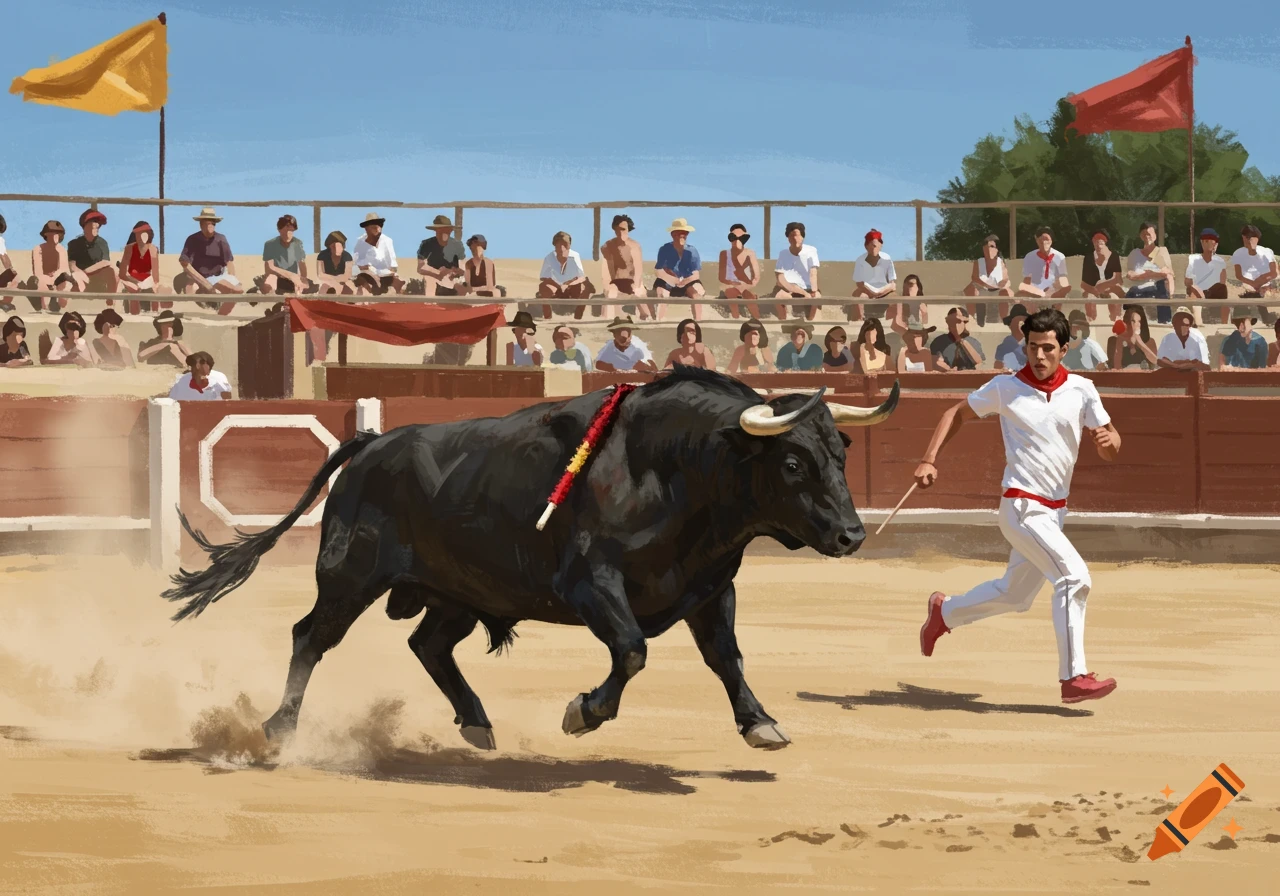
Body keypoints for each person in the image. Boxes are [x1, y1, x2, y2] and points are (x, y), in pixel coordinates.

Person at [915, 308, 1123, 705]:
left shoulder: (1082, 389)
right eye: (1032, 347)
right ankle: (1073, 677)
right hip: (1022, 505)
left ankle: (945, 613)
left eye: (1048, 348)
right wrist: (929, 458)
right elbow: (954, 413)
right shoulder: (1005, 387)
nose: (1039, 356)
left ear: (1064, 349)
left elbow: (1111, 441)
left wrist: (1110, 444)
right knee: (1074, 578)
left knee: (1015, 595)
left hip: (1054, 512)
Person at [175, 208, 244, 313]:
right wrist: (204, 283)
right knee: (191, 292)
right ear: (201, 224)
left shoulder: (221, 239)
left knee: (237, 290)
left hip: (218, 276)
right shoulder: (192, 240)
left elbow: (229, 262)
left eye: (212, 223)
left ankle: (222, 315)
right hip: (198, 277)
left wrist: (231, 277)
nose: (210, 226)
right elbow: (185, 263)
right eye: (207, 223)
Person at [654, 218, 704, 321]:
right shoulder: (664, 249)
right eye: (678, 233)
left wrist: (684, 282)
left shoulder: (692, 251)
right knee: (662, 294)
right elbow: (659, 271)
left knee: (697, 293)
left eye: (684, 233)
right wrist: (672, 280)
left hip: (687, 282)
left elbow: (695, 274)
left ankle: (698, 322)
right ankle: (659, 321)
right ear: (672, 234)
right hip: (667, 281)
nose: (682, 235)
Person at [1124, 221, 1174, 324]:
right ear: (1140, 236)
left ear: (1155, 235)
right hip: (1139, 288)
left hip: (1157, 287)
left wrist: (1150, 274)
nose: (1147, 237)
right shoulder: (1135, 254)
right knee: (1132, 292)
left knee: (1161, 286)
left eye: (1149, 234)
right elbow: (1130, 274)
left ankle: (1164, 321)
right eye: (1144, 234)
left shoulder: (1161, 251)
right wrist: (1146, 275)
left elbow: (1168, 272)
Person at [537, 231, 595, 320]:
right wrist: (558, 285)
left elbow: (581, 277)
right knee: (544, 287)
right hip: (555, 288)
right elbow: (544, 277)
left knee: (585, 286)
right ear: (555, 246)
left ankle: (578, 318)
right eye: (559, 244)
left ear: (569, 245)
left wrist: (568, 284)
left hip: (572, 286)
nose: (562, 248)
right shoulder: (549, 257)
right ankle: (548, 318)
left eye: (565, 244)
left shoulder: (575, 256)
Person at [1230, 224, 1277, 327]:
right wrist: (1253, 283)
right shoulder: (1238, 254)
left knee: (1256, 292)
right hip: (1248, 283)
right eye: (1246, 237)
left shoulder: (1266, 252)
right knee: (1250, 291)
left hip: (1265, 282)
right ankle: (1263, 317)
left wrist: (1261, 281)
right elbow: (1239, 275)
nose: (1248, 240)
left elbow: (1274, 273)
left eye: (1251, 238)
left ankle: (1259, 316)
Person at [601, 215, 646, 319]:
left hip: (632, 280)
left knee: (639, 293)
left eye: (623, 229)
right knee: (611, 293)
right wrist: (610, 283)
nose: (620, 232)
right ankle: (609, 320)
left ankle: (645, 319)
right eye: (617, 229)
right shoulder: (608, 246)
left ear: (628, 230)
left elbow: (638, 269)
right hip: (616, 281)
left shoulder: (634, 246)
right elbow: (608, 267)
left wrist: (636, 284)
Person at [772, 221, 820, 320]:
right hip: (788, 288)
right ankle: (783, 320)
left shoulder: (811, 250)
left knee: (817, 297)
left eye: (797, 235)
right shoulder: (783, 253)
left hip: (808, 288)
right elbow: (780, 277)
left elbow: (813, 272)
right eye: (791, 235)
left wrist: (813, 291)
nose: (794, 238)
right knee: (779, 296)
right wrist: (795, 289)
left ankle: (810, 320)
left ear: (802, 237)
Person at [962, 234, 1013, 327]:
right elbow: (975, 278)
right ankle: (971, 318)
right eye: (986, 247)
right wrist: (987, 286)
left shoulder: (1001, 262)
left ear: (997, 249)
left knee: (1006, 292)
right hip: (982, 289)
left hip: (997, 290)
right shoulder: (978, 262)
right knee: (970, 289)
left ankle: (1004, 320)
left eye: (992, 247)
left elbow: (1005, 279)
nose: (989, 249)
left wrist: (1000, 286)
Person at [67, 208, 118, 298]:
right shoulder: (74, 243)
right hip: (80, 278)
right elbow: (72, 265)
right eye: (92, 222)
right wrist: (80, 274)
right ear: (84, 226)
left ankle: (110, 304)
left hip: (97, 278)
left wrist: (86, 271)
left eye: (97, 223)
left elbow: (105, 262)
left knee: (112, 271)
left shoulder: (102, 243)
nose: (95, 225)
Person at [351, 213, 404, 295]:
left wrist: (387, 274)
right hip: (366, 275)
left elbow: (392, 265)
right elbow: (356, 263)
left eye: (379, 226)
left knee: (396, 284)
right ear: (366, 229)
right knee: (361, 281)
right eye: (373, 227)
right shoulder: (360, 242)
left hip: (384, 275)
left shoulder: (387, 241)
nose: (377, 229)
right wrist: (369, 270)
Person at [851, 229, 897, 323]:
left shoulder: (887, 259)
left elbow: (892, 283)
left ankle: (893, 322)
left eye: (876, 246)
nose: (874, 248)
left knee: (896, 299)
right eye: (871, 246)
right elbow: (859, 284)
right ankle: (860, 321)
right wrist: (871, 293)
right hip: (866, 290)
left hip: (884, 290)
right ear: (866, 246)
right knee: (858, 296)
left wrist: (879, 293)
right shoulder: (860, 260)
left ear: (881, 245)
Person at [258, 214, 311, 296]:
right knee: (269, 282)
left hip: (293, 279)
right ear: (279, 229)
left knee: (303, 287)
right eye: (286, 229)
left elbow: (302, 265)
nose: (289, 233)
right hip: (276, 277)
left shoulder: (297, 244)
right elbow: (269, 269)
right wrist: (290, 275)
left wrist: (301, 280)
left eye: (292, 230)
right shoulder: (270, 244)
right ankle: (273, 304)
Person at [1078, 229, 1124, 322]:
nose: (1098, 246)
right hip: (1094, 289)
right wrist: (1095, 291)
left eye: (1101, 243)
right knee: (1089, 299)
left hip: (1111, 288)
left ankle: (1116, 322)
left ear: (1105, 243)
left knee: (1115, 298)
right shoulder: (1089, 258)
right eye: (1096, 242)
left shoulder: (1113, 256)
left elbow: (1117, 279)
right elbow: (1084, 283)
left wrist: (1103, 287)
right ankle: (1091, 323)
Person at [117, 221, 162, 314]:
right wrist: (134, 282)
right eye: (139, 234)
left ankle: (154, 314)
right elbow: (122, 273)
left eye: (145, 234)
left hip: (147, 280)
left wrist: (153, 284)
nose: (142, 237)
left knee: (156, 289)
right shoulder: (129, 249)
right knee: (133, 289)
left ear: (149, 235)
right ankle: (133, 315)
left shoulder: (153, 249)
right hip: (130, 279)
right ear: (135, 235)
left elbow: (155, 275)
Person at [1184, 228, 1227, 325]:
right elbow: (1187, 281)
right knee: (1194, 292)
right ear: (1202, 242)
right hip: (1197, 290)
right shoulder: (1194, 259)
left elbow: (1223, 281)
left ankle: (1224, 325)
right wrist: (1197, 288)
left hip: (1213, 291)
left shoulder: (1220, 261)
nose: (1211, 244)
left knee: (1223, 289)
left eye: (1214, 242)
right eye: (1206, 241)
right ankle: (1199, 323)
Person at [1018, 226, 1070, 306]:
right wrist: (1034, 290)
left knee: (1064, 289)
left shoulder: (1059, 256)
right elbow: (1027, 279)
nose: (1044, 242)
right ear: (1037, 240)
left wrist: (1060, 287)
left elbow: (1062, 277)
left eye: (1047, 240)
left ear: (1051, 240)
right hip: (1035, 290)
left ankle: (1055, 312)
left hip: (1053, 289)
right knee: (1021, 290)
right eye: (1041, 240)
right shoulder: (1029, 256)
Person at [719, 223, 761, 319]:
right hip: (730, 286)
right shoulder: (724, 254)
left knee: (749, 296)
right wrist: (734, 284)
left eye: (741, 238)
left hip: (746, 286)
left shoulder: (749, 253)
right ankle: (736, 318)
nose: (737, 240)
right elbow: (721, 277)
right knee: (731, 292)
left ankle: (757, 320)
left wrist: (745, 286)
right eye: (733, 237)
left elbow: (756, 277)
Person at [29, 220, 74, 312]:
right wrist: (48, 280)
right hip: (43, 281)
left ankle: (57, 302)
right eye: (52, 233)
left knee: (67, 281)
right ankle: (44, 306)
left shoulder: (62, 250)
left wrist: (54, 278)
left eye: (58, 233)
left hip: (57, 281)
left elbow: (64, 271)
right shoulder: (38, 249)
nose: (55, 236)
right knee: (35, 281)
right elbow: (38, 272)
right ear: (46, 234)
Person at [417, 215, 466, 297]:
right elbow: (420, 268)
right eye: (440, 230)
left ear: (450, 231)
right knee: (429, 279)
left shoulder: (457, 245)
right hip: (434, 276)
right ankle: (430, 305)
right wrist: (437, 274)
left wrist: (449, 271)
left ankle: (462, 306)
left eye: (446, 230)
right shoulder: (426, 244)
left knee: (462, 284)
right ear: (436, 231)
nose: (444, 233)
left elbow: (463, 268)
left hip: (453, 277)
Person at [1156, 306, 1210, 372]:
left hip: (1192, 375)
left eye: (1186, 325)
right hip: (1171, 374)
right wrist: (1174, 365)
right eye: (1180, 324)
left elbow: (1205, 365)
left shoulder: (1197, 339)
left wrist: (1190, 364)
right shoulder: (1167, 339)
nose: (1183, 327)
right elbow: (1160, 360)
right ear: (1174, 324)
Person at [930, 307, 985, 371]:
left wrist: (963, 342)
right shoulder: (939, 342)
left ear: (965, 323)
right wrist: (949, 370)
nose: (955, 325)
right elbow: (936, 362)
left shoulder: (973, 342)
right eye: (952, 321)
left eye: (958, 321)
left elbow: (979, 363)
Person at [1107, 306, 1158, 370]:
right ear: (1126, 322)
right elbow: (1115, 365)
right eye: (1133, 321)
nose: (1136, 324)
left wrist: (1141, 343)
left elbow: (1155, 362)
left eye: (1139, 321)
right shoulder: (1116, 340)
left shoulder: (1150, 341)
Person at [993, 303, 1030, 371]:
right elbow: (997, 366)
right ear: (1010, 325)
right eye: (1016, 322)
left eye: (1023, 322)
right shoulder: (1003, 347)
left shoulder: (1032, 344)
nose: (1020, 325)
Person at [315, 231, 353, 295]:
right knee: (323, 289)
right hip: (326, 282)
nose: (336, 249)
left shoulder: (347, 256)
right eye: (333, 247)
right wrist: (334, 281)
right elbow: (320, 274)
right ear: (329, 247)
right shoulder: (322, 255)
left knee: (350, 289)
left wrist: (336, 281)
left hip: (343, 282)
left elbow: (347, 275)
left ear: (343, 246)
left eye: (338, 246)